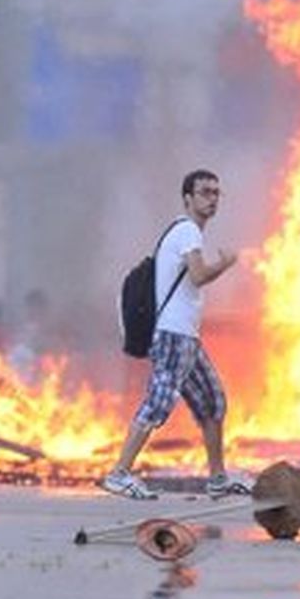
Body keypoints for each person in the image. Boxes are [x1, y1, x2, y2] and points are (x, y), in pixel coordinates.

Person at [101, 169, 251, 501]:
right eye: (204, 193)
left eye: (216, 193)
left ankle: (217, 479)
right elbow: (197, 275)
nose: (211, 199)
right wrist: (224, 264)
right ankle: (119, 473)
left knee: (213, 402)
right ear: (188, 198)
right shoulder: (187, 231)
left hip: (188, 338)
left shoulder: (189, 233)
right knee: (158, 403)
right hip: (172, 335)